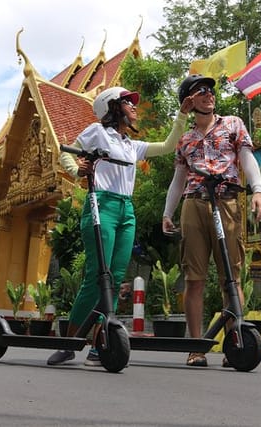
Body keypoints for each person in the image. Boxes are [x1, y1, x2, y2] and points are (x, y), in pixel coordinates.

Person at [48, 86, 194, 366]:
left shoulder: (130, 145)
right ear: (112, 107)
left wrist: (182, 115)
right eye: (128, 103)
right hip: (101, 204)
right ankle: (68, 341)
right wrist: (76, 168)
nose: (134, 107)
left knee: (115, 278)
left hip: (127, 209)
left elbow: (166, 146)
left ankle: (99, 342)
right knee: (97, 276)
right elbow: (65, 153)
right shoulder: (97, 132)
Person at [161, 74, 261, 367]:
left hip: (227, 200)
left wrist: (257, 190)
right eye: (201, 91)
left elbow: (247, 159)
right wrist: (167, 213)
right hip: (194, 203)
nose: (209, 94)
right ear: (189, 101)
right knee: (194, 279)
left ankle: (236, 344)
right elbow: (178, 179)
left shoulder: (232, 124)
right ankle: (196, 348)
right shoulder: (185, 138)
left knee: (230, 276)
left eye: (211, 90)